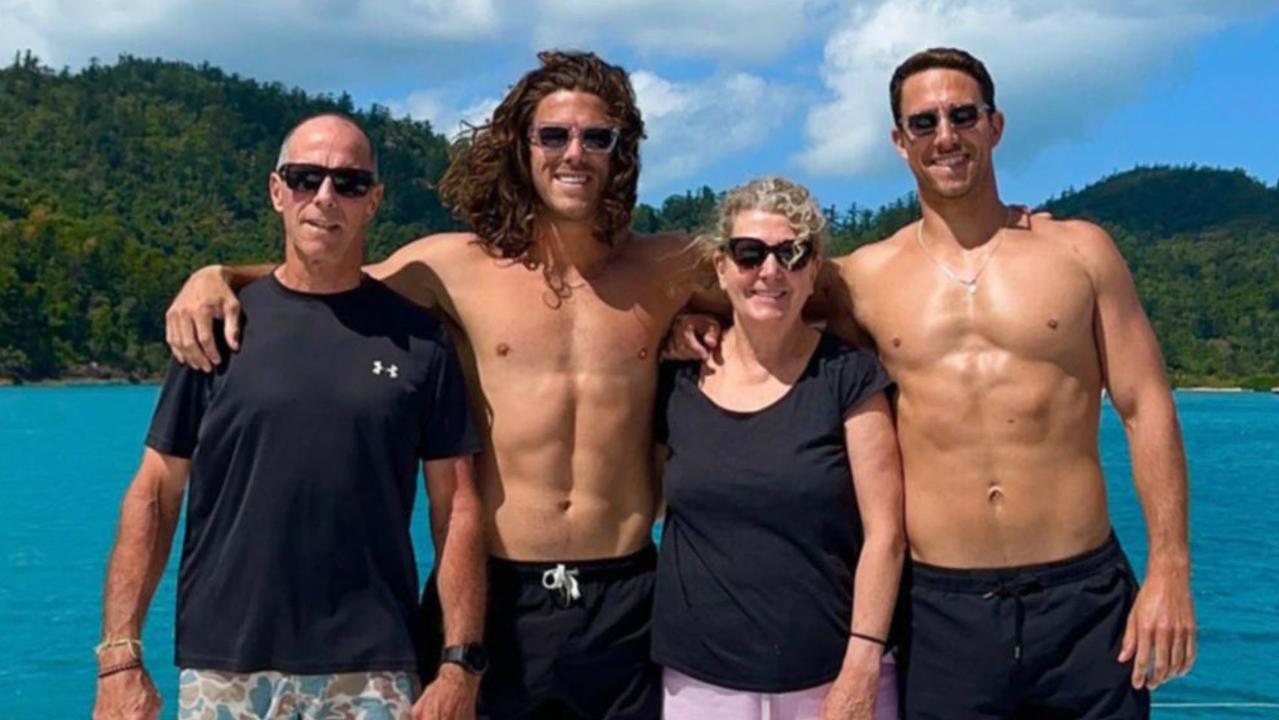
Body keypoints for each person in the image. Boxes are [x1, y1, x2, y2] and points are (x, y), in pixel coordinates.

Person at [162, 51, 719, 719]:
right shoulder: (449, 267)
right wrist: (218, 274)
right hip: (494, 594)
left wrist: (698, 327)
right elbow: (328, 281)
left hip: (626, 594)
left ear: (619, 151)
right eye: (553, 135)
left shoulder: (669, 266)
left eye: (596, 137)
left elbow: (791, 295)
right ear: (521, 146)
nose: (574, 153)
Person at [675, 47, 1197, 719]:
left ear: (995, 124)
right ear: (899, 142)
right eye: (923, 123)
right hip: (938, 610)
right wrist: (689, 322)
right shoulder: (861, 278)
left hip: (1081, 596)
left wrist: (1169, 570)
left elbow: (1144, 404)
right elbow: (762, 293)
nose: (944, 136)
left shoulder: (1079, 253)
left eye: (961, 115)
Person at [92, 114, 485, 720]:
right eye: (306, 178)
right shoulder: (216, 329)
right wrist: (119, 658)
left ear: (373, 202)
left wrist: (460, 664)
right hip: (224, 667)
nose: (325, 197)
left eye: (349, 183)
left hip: (371, 668)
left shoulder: (420, 343)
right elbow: (155, 493)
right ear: (278, 191)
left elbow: (455, 507)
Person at [653, 177, 904, 720]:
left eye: (791, 253)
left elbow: (886, 533)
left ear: (813, 270)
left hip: (833, 678)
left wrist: (862, 665)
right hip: (698, 683)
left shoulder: (850, 377)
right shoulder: (676, 382)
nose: (770, 271)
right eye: (749, 253)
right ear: (721, 267)